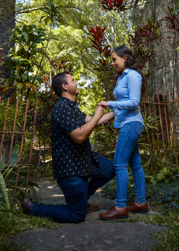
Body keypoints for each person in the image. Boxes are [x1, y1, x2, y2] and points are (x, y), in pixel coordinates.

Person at [21, 72, 115, 223]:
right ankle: (33, 208)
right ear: (65, 86)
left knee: (109, 169)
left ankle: (82, 199)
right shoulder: (61, 108)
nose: (76, 83)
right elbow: (79, 137)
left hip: (84, 161)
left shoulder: (72, 107)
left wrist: (118, 110)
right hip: (71, 169)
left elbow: (93, 122)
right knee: (77, 215)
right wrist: (97, 116)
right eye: (73, 80)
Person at [97, 45, 148, 220]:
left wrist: (109, 103)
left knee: (119, 164)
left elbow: (134, 102)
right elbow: (123, 106)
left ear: (124, 58)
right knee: (135, 165)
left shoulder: (133, 75)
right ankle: (141, 202)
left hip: (131, 124)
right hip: (127, 123)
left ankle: (120, 207)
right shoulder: (121, 77)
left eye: (114, 59)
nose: (112, 63)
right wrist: (106, 117)